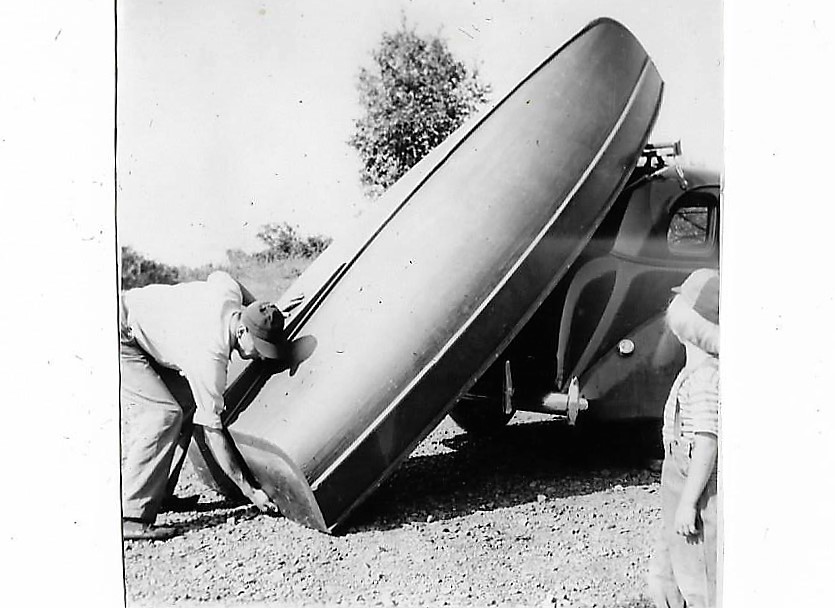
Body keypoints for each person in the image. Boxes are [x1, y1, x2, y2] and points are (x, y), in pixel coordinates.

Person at [120, 270, 303, 540]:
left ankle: (158, 495)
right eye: (260, 346)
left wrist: (256, 311)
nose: (260, 356)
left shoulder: (229, 298)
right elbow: (213, 432)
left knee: (186, 403)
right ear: (241, 330)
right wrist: (250, 491)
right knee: (164, 414)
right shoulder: (210, 356)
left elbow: (224, 276)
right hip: (122, 332)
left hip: (145, 329)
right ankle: (131, 517)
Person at [647, 268, 720, 608]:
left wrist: (689, 502)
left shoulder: (705, 379)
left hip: (699, 497)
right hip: (679, 486)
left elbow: (707, 443)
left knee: (702, 576)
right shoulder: (692, 372)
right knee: (679, 558)